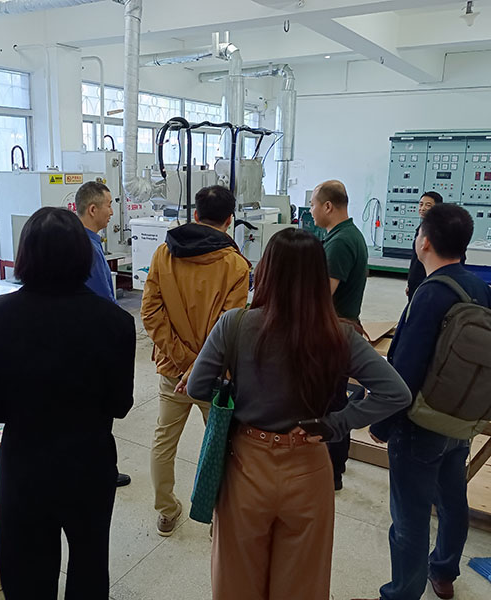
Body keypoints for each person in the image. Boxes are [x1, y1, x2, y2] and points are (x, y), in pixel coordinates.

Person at [187, 227, 411, 600]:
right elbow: (395, 392)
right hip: (309, 464)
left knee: (236, 581)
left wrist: (230, 383)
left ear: (265, 271)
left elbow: (197, 386)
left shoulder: (235, 324)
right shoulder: (340, 334)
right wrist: (337, 423)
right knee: (302, 583)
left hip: (246, 464)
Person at [0, 207, 135, 599]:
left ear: (24, 254)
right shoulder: (115, 322)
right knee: (89, 567)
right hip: (90, 465)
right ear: (83, 255)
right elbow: (120, 404)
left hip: (25, 468)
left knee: (27, 575)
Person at [355, 204, 491, 600]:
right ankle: (444, 572)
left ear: (425, 242)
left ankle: (401, 594)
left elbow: (405, 368)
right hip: (461, 419)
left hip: (421, 424)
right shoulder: (479, 288)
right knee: (452, 500)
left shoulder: (429, 294)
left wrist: (382, 423)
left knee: (410, 518)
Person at [141, 185, 250, 537]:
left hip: (171, 372)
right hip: (215, 376)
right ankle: (219, 517)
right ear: (230, 220)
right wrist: (198, 366)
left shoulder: (164, 253)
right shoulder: (236, 266)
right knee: (220, 445)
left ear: (196, 214)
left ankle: (166, 510)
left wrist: (181, 362)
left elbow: (150, 312)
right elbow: (229, 327)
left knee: (163, 441)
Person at [310, 179, 369, 490]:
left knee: (330, 401)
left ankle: (331, 471)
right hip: (339, 328)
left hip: (333, 332)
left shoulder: (340, 242)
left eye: (313, 205)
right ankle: (335, 464)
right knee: (334, 398)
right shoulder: (346, 235)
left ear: (328, 206)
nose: (311, 211)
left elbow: (321, 296)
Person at [75, 181, 131, 487]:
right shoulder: (87, 247)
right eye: (109, 205)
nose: (112, 211)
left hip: (83, 337)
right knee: (98, 415)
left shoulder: (84, 242)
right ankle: (101, 472)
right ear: (93, 209)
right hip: (94, 341)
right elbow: (102, 299)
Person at [406, 191, 443, 301]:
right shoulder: (422, 227)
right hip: (416, 282)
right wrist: (410, 283)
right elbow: (415, 260)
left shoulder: (437, 231)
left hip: (426, 283)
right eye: (421, 204)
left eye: (428, 205)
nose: (422, 208)